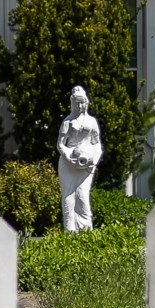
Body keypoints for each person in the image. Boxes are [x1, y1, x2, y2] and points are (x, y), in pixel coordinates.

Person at [56, 84, 103, 232]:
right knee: (68, 197)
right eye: (76, 103)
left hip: (87, 164)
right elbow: (60, 144)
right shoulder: (67, 122)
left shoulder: (91, 122)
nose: (79, 105)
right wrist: (68, 157)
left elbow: (97, 144)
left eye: (82, 102)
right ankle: (70, 231)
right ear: (72, 103)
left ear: (86, 102)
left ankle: (86, 231)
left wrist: (94, 161)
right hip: (68, 163)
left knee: (82, 196)